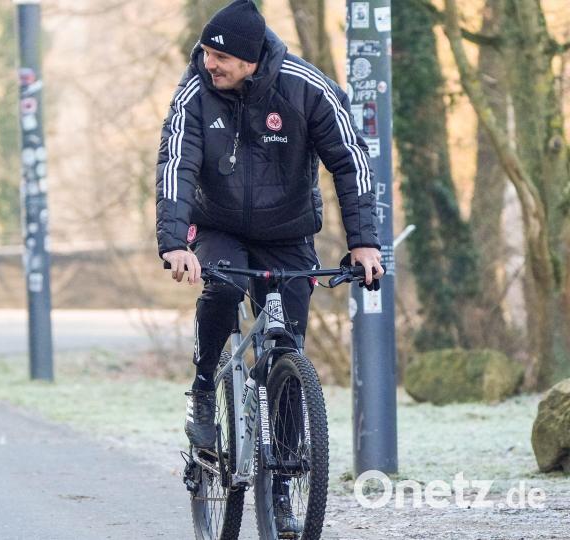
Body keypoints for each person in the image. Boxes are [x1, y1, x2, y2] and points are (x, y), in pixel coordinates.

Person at [155, 1, 384, 534]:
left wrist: (365, 243)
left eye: (221, 57)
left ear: (253, 58)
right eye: (207, 53)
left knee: (287, 351)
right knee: (223, 289)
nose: (210, 63)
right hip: (216, 227)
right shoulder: (195, 91)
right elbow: (175, 165)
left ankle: (281, 484)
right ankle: (205, 387)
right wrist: (174, 242)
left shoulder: (308, 88)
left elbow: (350, 162)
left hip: (287, 233)